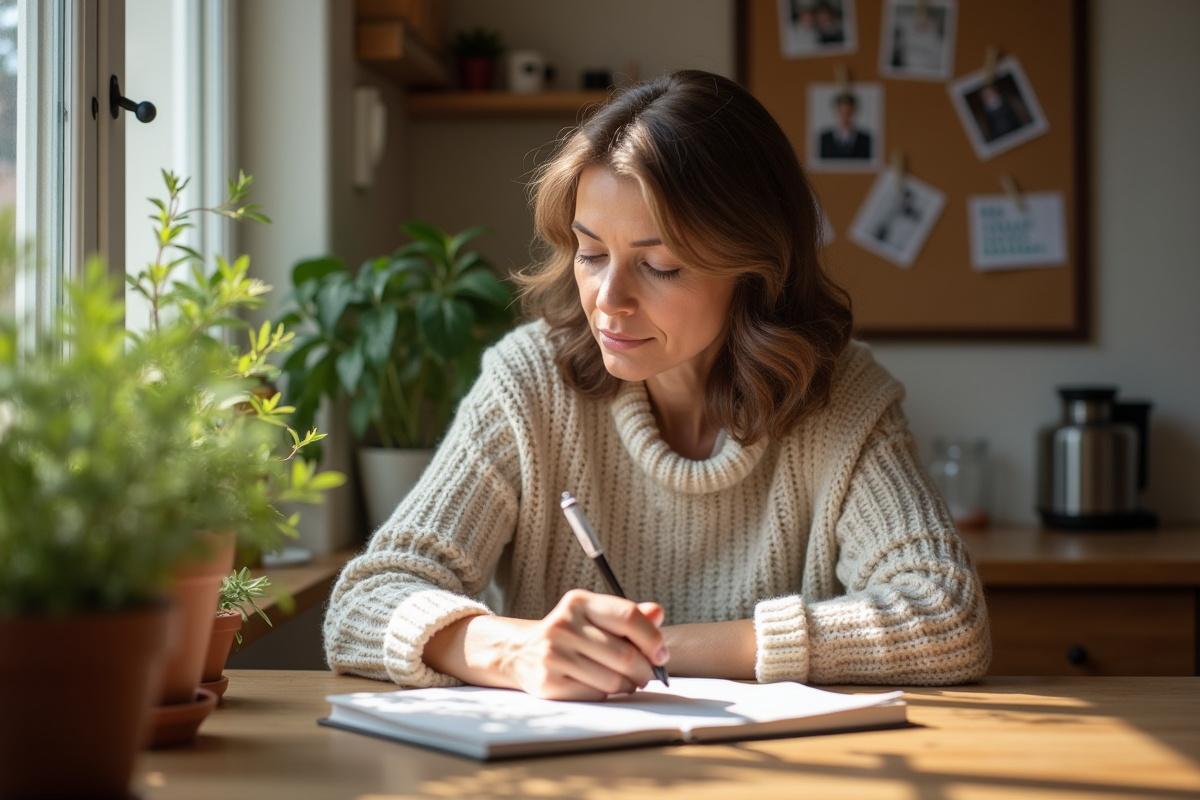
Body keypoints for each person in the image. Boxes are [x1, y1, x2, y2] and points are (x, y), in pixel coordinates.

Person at [324, 70, 990, 700]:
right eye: (591, 253)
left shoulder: (840, 397)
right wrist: (513, 650)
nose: (608, 299)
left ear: (756, 272)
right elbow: (365, 602)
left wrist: (652, 652)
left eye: (661, 266)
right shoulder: (529, 382)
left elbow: (946, 616)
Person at [819, 91, 872, 160]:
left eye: (848, 113)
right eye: (842, 113)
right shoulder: (824, 139)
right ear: (836, 112)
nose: (845, 117)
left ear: (853, 112)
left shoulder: (865, 140)